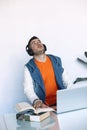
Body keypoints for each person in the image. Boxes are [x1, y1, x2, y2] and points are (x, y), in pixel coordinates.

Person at [24, 36, 73, 109]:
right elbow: (28, 89)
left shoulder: (56, 60)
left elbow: (67, 81)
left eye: (39, 41)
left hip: (61, 103)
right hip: (44, 106)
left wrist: (71, 96)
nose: (38, 44)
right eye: (34, 43)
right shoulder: (29, 67)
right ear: (30, 50)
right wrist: (36, 100)